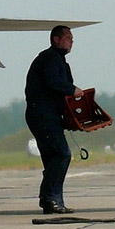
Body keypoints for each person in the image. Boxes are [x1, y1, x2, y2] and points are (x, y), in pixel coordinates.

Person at [25, 25, 82, 214]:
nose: (71, 41)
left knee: (53, 159)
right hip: (42, 114)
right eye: (67, 37)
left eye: (72, 38)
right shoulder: (50, 59)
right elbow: (53, 82)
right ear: (56, 39)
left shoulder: (59, 61)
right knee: (61, 154)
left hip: (48, 115)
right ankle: (49, 198)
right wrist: (72, 90)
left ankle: (55, 201)